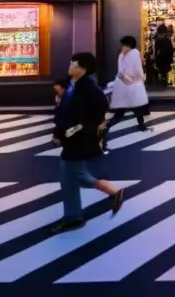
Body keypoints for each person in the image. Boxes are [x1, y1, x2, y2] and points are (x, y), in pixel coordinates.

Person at [52, 52, 124, 232]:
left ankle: (74, 217)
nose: (70, 66)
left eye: (73, 64)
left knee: (70, 177)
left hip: (78, 139)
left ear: (82, 68)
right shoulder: (73, 84)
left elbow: (100, 108)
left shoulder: (89, 88)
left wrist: (80, 128)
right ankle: (112, 194)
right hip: (71, 138)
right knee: (74, 176)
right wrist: (59, 132)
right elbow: (64, 111)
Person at [105, 36, 150, 147]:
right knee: (129, 109)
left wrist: (133, 79)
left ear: (128, 46)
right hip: (124, 86)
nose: (122, 48)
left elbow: (138, 71)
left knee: (134, 109)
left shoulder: (134, 54)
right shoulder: (122, 55)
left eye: (123, 45)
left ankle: (141, 126)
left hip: (131, 86)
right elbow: (122, 71)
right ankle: (107, 126)